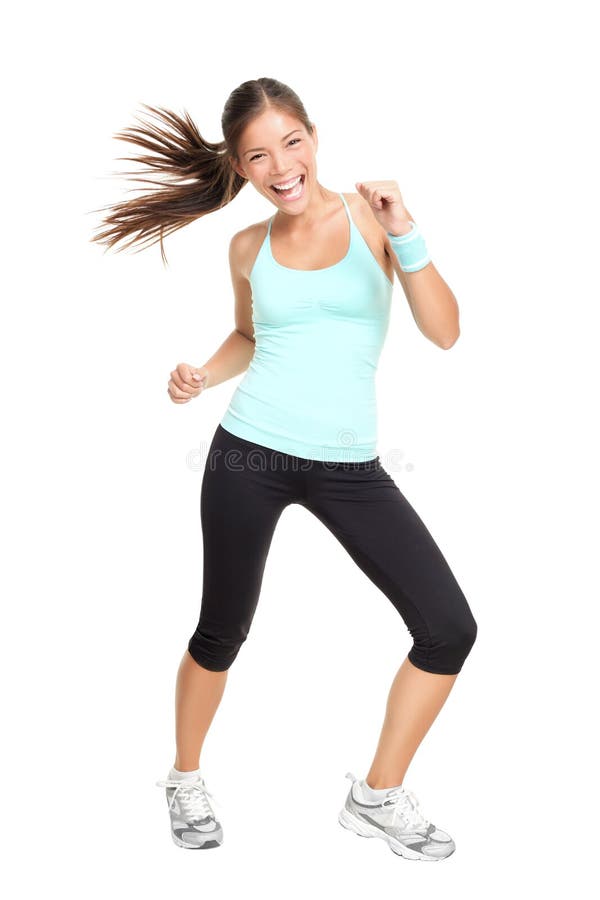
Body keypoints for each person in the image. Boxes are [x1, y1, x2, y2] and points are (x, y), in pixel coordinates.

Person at [90, 77, 477, 860]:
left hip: (349, 465)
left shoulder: (373, 217)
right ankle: (185, 778)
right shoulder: (247, 246)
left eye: (291, 142)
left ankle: (376, 796)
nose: (281, 165)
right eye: (258, 155)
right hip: (247, 453)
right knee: (222, 628)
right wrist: (199, 372)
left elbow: (445, 333)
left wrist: (408, 232)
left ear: (314, 136)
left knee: (448, 629)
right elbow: (248, 335)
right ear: (240, 166)